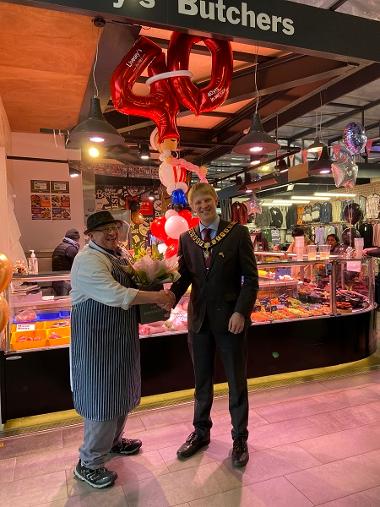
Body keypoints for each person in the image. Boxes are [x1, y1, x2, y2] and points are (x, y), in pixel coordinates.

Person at [70, 210, 173, 489]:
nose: (111, 232)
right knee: (101, 398)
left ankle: (113, 443)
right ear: (90, 235)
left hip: (120, 337)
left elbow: (135, 281)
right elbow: (115, 294)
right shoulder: (87, 260)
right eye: (104, 229)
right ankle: (88, 463)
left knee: (122, 391)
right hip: (96, 342)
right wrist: (157, 296)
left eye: (113, 227)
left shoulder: (119, 254)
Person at [168, 183, 258, 468]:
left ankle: (240, 438)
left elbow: (250, 279)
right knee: (202, 382)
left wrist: (241, 312)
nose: (203, 206)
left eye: (207, 200)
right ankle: (201, 432)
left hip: (231, 321)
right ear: (192, 208)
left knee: (236, 382)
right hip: (199, 322)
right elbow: (184, 278)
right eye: (198, 203)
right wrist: (166, 298)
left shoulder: (238, 233)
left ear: (215, 200)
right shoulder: (187, 238)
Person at [52, 228, 80, 296]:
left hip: (56, 281)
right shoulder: (71, 249)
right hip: (65, 282)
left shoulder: (60, 246)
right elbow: (77, 267)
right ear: (76, 239)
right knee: (67, 303)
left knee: (61, 303)